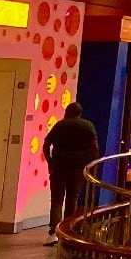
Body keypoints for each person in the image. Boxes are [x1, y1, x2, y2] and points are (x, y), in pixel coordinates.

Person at [43, 103, 98, 245]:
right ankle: (67, 230)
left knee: (56, 200)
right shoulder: (88, 126)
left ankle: (53, 232)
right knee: (72, 198)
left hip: (58, 167)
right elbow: (94, 147)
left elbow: (46, 144)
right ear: (80, 113)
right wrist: (92, 165)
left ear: (67, 112)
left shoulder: (59, 125)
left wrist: (50, 162)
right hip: (77, 167)